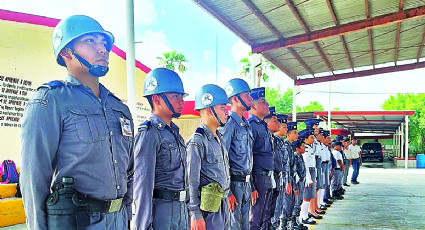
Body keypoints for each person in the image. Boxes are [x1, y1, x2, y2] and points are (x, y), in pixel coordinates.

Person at [21, 15, 134, 229]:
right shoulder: (50, 101)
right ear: (66, 52)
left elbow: (130, 172)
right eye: (91, 41)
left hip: (119, 221)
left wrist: (126, 218)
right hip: (78, 222)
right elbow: (34, 179)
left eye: (104, 43)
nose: (102, 49)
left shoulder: (120, 109)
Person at [132, 68, 188, 229]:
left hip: (181, 212)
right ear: (156, 99)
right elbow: (142, 185)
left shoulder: (175, 133)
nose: (182, 101)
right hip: (162, 215)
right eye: (175, 96)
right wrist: (143, 226)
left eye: (182, 96)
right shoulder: (149, 134)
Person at [187, 84, 231, 230]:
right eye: (223, 108)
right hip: (208, 211)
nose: (227, 112)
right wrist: (195, 214)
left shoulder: (219, 138)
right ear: (209, 110)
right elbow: (191, 181)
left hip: (222, 205)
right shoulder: (198, 141)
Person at [221, 78, 256, 230]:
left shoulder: (245, 125)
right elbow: (222, 159)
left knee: (244, 226)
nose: (250, 98)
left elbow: (249, 160)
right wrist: (227, 192)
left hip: (246, 185)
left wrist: (252, 185)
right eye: (247, 95)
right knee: (234, 226)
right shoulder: (229, 125)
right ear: (235, 98)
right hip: (234, 185)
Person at [247, 87, 274, 230]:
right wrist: (251, 186)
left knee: (265, 217)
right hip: (257, 177)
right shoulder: (251, 126)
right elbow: (248, 157)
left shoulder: (263, 126)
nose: (267, 104)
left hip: (266, 176)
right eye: (263, 101)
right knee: (254, 219)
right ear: (252, 105)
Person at [264, 108, 283, 229]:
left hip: (275, 176)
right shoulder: (263, 137)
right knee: (262, 212)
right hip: (264, 176)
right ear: (266, 122)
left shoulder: (275, 140)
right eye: (275, 120)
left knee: (271, 208)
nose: (278, 124)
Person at [304, 119, 323, 220]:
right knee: (310, 191)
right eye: (316, 127)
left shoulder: (315, 140)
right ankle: (310, 210)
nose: (317, 129)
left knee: (316, 188)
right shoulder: (309, 142)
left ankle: (314, 207)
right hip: (311, 164)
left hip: (315, 163)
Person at [298, 128, 317, 226]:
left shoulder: (309, 148)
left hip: (312, 171)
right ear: (305, 139)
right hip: (308, 173)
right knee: (307, 197)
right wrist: (308, 179)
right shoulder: (305, 150)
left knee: (309, 196)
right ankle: (304, 217)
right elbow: (305, 165)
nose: (313, 139)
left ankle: (305, 215)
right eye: (311, 137)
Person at [291, 133, 309, 230]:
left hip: (301, 182)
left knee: (300, 202)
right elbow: (295, 174)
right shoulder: (295, 157)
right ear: (297, 148)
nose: (304, 147)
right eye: (302, 146)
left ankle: (298, 221)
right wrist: (296, 187)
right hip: (297, 183)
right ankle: (294, 223)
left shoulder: (300, 156)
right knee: (296, 203)